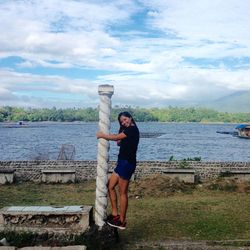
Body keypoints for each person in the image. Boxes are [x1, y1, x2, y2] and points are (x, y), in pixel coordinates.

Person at [96, 111, 140, 230]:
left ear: (130, 118)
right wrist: (120, 134)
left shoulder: (132, 129)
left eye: (126, 119)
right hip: (121, 162)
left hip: (127, 163)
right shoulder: (126, 130)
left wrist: (102, 135)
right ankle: (115, 214)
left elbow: (115, 138)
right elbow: (119, 143)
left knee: (122, 192)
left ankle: (122, 221)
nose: (124, 122)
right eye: (122, 121)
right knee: (110, 186)